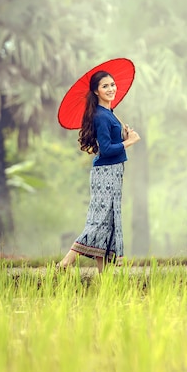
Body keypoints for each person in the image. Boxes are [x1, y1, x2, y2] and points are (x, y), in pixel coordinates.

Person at [57, 70, 141, 273]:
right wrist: (128, 142)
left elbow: (111, 143)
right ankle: (65, 263)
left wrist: (124, 135)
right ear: (96, 91)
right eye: (105, 86)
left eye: (112, 84)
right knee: (98, 221)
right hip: (106, 173)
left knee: (107, 221)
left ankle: (104, 276)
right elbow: (106, 149)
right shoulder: (101, 117)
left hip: (113, 172)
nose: (111, 89)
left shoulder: (108, 114)